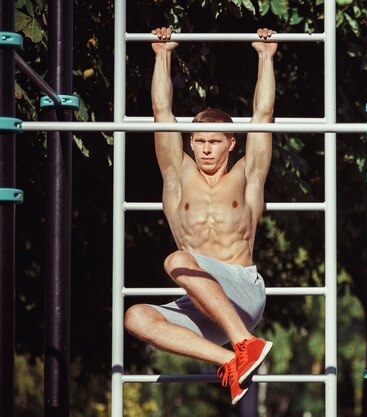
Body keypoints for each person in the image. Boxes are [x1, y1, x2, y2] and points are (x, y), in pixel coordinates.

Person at [124, 26, 277, 405]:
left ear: (230, 143)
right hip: (203, 303)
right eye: (200, 141)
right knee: (136, 318)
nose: (207, 150)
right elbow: (162, 112)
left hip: (242, 292)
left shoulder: (247, 176)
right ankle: (233, 360)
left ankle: (245, 343)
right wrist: (162, 56)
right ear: (190, 142)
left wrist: (265, 57)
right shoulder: (177, 176)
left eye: (215, 142)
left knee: (177, 259)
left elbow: (264, 114)